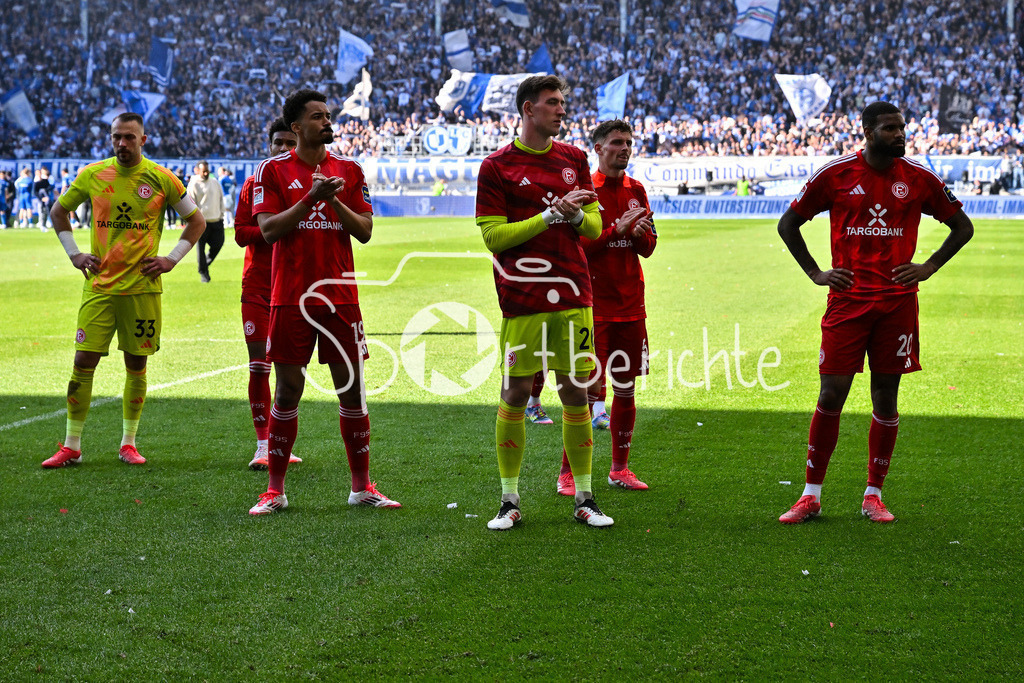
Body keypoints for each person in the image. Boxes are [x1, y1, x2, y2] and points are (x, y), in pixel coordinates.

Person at [776, 101, 973, 524]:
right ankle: (810, 495)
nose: (900, 134)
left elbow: (963, 227)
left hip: (897, 304)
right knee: (831, 395)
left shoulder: (919, 178)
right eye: (890, 128)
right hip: (847, 303)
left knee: (886, 397)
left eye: (902, 127)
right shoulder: (836, 174)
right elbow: (788, 224)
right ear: (867, 131)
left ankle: (873, 495)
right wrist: (816, 273)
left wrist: (929, 266)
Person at [248, 88, 400, 514]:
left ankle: (361, 487)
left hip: (340, 296)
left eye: (328, 115)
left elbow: (365, 231)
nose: (327, 122)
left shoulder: (348, 170)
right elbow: (270, 231)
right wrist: (310, 198)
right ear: (296, 127)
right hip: (291, 297)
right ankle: (275, 490)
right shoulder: (272, 170)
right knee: (289, 389)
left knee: (351, 392)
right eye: (317, 117)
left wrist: (331, 198)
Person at [475, 74, 613, 530]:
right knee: (515, 393)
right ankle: (509, 500)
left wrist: (574, 214)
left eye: (562, 103)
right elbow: (495, 236)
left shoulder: (574, 159)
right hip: (522, 297)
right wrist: (551, 214)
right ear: (528, 108)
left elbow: (594, 229)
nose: (561, 110)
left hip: (574, 295)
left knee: (575, 391)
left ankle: (585, 497)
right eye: (553, 103)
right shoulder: (496, 166)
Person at [42, 112, 206, 468]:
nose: (122, 143)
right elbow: (58, 212)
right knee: (82, 361)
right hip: (99, 287)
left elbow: (197, 221)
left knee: (136, 364)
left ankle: (128, 443)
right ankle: (71, 445)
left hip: (142, 288)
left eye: (129, 137)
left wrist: (172, 259)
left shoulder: (161, 178)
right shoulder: (93, 174)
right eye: (117, 136)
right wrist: (74, 253)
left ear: (142, 140)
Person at [557, 119, 657, 495]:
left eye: (629, 142)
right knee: (584, 391)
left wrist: (639, 234)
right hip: (592, 307)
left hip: (631, 304)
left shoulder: (637, 190)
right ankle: (569, 474)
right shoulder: (586, 192)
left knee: (626, 388)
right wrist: (614, 231)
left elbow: (648, 249)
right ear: (598, 148)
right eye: (616, 142)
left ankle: (620, 469)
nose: (625, 149)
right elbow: (576, 250)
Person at [233, 117, 302, 470]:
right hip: (258, 287)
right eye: (278, 142)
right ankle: (263, 444)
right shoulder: (252, 185)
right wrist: (274, 228)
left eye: (290, 143)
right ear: (269, 144)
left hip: (292, 289)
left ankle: (281, 443)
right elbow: (241, 233)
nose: (283, 148)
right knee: (260, 366)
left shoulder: (306, 188)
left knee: (290, 372)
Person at [186, 161, 225, 282]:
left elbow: (220, 198)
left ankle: (205, 264)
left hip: (216, 219)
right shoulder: (193, 184)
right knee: (200, 248)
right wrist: (194, 220)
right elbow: (190, 203)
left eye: (207, 170)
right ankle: (203, 274)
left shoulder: (214, 182)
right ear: (198, 170)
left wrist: (222, 214)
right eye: (204, 171)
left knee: (218, 244)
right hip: (201, 222)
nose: (206, 173)